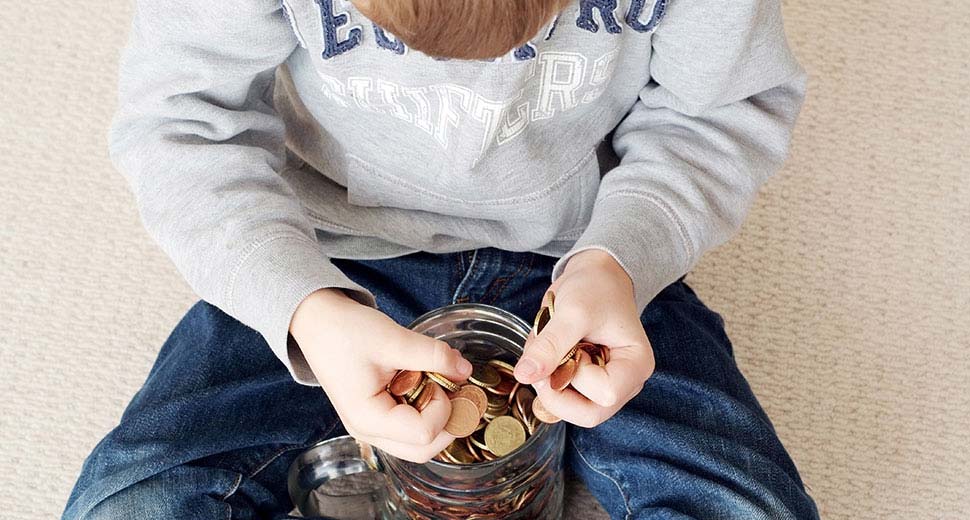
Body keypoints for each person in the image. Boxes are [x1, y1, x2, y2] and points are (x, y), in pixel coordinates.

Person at [64, 0, 819, 518]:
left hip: (585, 264)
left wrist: (625, 257)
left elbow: (717, 115)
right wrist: (304, 310)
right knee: (131, 501)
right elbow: (182, 126)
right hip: (328, 257)